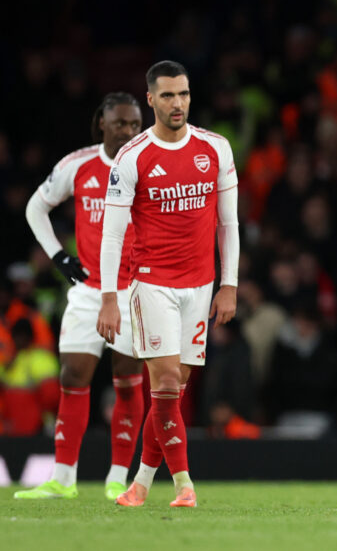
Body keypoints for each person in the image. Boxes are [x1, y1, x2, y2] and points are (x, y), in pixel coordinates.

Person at [96, 60, 239, 508]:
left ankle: (139, 485)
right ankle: (184, 484)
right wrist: (108, 299)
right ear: (151, 99)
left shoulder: (215, 147)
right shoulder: (132, 156)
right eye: (169, 96)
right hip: (152, 284)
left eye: (184, 94)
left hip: (200, 286)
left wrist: (229, 284)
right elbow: (113, 234)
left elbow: (229, 223)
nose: (178, 104)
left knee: (173, 394)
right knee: (163, 386)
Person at [15, 92, 145, 501]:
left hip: (132, 291)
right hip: (88, 291)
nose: (128, 131)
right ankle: (63, 478)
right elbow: (36, 207)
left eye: (135, 124)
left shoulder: (148, 164)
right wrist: (58, 257)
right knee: (72, 377)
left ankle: (116, 478)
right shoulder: (78, 165)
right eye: (121, 123)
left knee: (127, 380)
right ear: (101, 124)